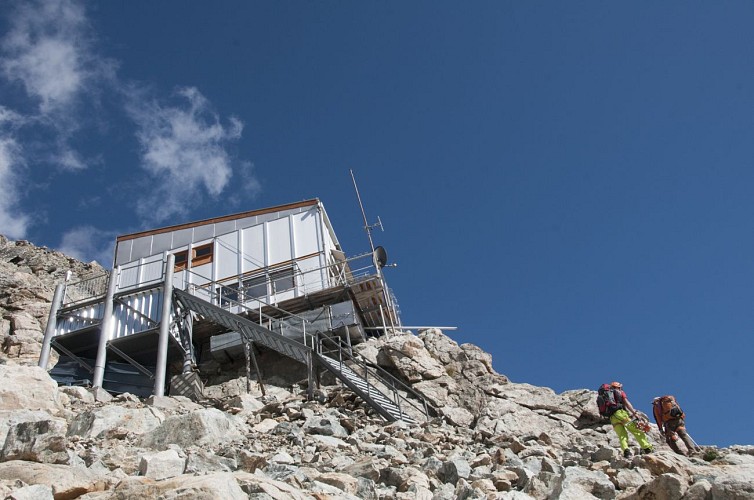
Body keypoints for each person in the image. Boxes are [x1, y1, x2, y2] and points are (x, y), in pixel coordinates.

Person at [597, 381, 653, 458]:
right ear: (617, 387)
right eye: (620, 387)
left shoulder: (604, 395)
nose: (621, 388)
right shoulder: (619, 392)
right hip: (621, 413)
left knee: (622, 435)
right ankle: (647, 448)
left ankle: (626, 451)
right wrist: (634, 413)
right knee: (637, 430)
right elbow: (626, 402)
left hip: (612, 418)